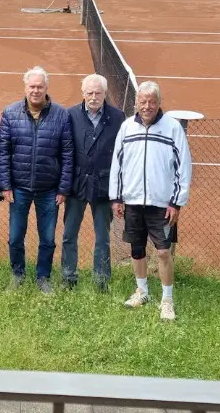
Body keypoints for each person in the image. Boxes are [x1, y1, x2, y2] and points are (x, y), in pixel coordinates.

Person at [110, 81, 192, 321]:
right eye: (143, 102)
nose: (147, 106)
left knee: (164, 252)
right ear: (136, 103)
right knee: (137, 250)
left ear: (159, 103)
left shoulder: (173, 128)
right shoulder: (126, 128)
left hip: (162, 205)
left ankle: (167, 300)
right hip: (133, 202)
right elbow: (117, 164)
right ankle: (142, 291)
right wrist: (116, 197)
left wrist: (176, 202)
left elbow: (183, 167)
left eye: (151, 102)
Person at [0, 66, 74, 294]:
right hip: (18, 189)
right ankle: (17, 275)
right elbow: (3, 152)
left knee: (48, 239)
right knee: (15, 237)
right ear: (25, 87)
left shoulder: (62, 115)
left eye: (40, 86)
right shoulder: (10, 113)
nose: (36, 90)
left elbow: (67, 154)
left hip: (49, 190)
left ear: (46, 88)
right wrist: (6, 185)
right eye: (32, 86)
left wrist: (63, 188)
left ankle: (43, 277)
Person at [62, 74, 126, 292]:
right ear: (83, 93)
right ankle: (68, 278)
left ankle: (101, 281)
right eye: (89, 92)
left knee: (103, 238)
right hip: (76, 186)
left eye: (98, 93)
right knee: (69, 235)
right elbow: (65, 151)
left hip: (104, 187)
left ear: (105, 94)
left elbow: (122, 155)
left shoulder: (118, 117)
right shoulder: (69, 115)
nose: (93, 97)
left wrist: (119, 191)